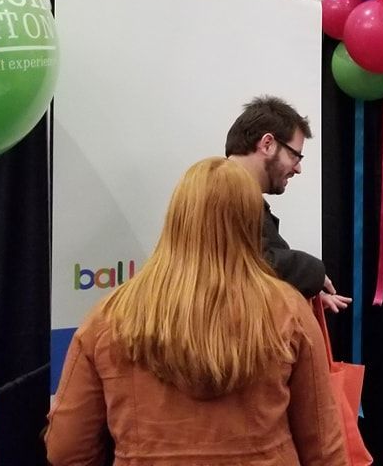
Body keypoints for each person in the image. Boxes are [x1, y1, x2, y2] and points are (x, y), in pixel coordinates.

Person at [46, 157, 349, 465]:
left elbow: (66, 450)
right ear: (250, 223)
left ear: (176, 218)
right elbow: (325, 451)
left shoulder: (108, 318)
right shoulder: (289, 312)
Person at [226, 95, 352, 312]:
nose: (298, 168)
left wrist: (297, 292)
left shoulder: (234, 192)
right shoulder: (221, 193)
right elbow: (252, 261)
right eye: (295, 156)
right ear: (267, 144)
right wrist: (313, 271)